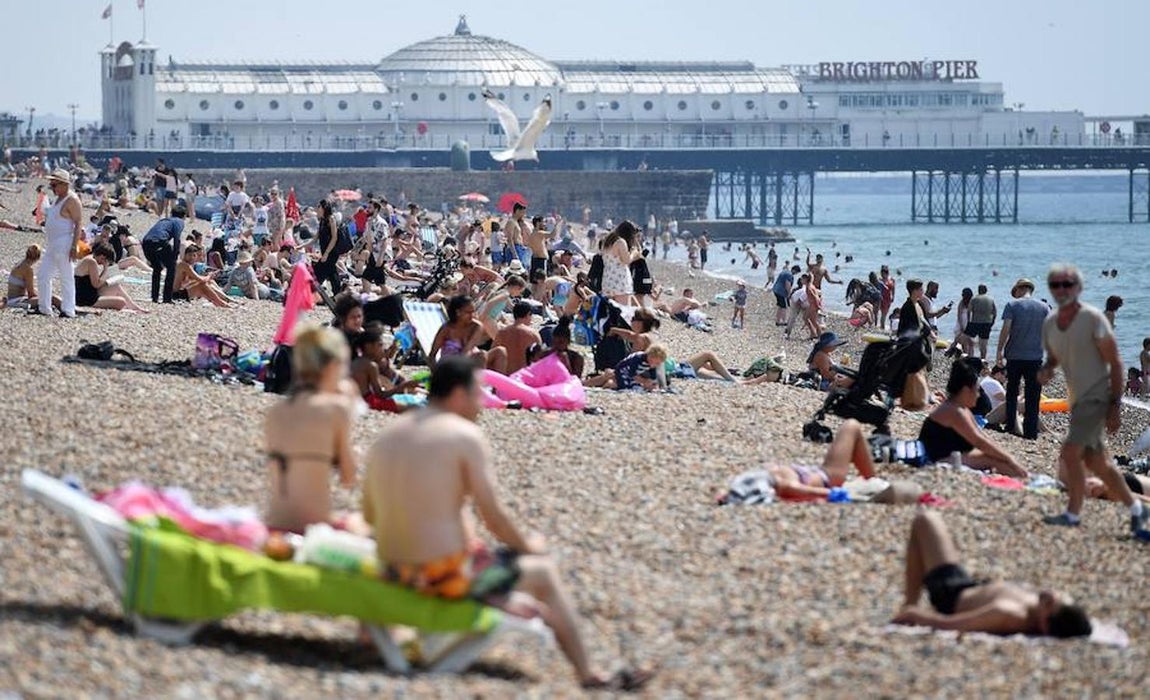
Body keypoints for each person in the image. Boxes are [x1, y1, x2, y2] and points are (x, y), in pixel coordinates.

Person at [361, 356, 652, 691]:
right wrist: (528, 548)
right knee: (542, 572)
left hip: (392, 569)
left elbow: (370, 514)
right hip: (436, 576)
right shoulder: (463, 436)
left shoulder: (389, 435)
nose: (482, 402)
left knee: (489, 555)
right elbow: (494, 517)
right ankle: (589, 675)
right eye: (476, 393)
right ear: (457, 394)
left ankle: (501, 601)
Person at [1037, 264, 1148, 535]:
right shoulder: (1053, 321)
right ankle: (1136, 508)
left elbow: (1117, 363)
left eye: (1068, 285)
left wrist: (1115, 406)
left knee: (1070, 453)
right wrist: (1049, 368)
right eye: (1056, 285)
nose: (1061, 290)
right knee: (1099, 463)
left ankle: (1073, 514)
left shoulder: (1094, 319)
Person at [892, 511, 1092, 638]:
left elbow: (952, 624)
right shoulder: (1036, 611)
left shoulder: (1009, 614)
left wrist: (917, 616)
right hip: (969, 585)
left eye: (1050, 604)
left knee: (925, 519)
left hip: (951, 592)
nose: (1050, 594)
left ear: (1045, 625)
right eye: (1058, 596)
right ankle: (909, 603)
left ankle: (909, 603)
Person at [264, 325, 359, 534]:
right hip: (312, 525)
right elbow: (349, 477)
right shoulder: (335, 409)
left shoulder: (275, 412)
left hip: (274, 524)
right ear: (332, 366)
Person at [918, 359, 1027, 477]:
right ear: (965, 391)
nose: (979, 395)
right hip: (935, 458)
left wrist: (1007, 457)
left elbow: (983, 437)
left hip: (952, 454)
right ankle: (1024, 479)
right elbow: (980, 442)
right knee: (992, 460)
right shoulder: (954, 411)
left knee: (996, 458)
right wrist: (1011, 460)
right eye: (977, 390)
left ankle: (1023, 476)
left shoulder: (961, 409)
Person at [760, 419, 875, 500]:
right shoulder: (781, 483)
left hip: (823, 475)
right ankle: (873, 482)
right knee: (851, 426)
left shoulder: (772, 478)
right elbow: (795, 488)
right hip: (828, 477)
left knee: (851, 431)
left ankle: (870, 482)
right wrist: (833, 494)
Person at [995, 278, 1049, 440]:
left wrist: (999, 351)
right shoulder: (1044, 307)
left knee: (1012, 391)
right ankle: (1030, 431)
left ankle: (1011, 425)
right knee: (1033, 394)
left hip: (1014, 356)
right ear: (1031, 290)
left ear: (1018, 290)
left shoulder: (1013, 305)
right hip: (1035, 357)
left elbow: (1006, 329)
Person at [38, 169, 83, 318]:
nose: (52, 187)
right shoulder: (58, 199)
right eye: (51, 185)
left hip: (64, 242)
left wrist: (74, 246)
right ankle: (44, 307)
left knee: (66, 277)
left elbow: (78, 223)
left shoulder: (72, 200)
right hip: (52, 243)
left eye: (54, 184)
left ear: (64, 184)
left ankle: (68, 310)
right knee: (43, 275)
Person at [72, 242, 149, 313]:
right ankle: (127, 309)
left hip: (87, 293)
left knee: (116, 286)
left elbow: (94, 282)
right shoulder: (91, 262)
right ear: (102, 257)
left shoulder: (89, 258)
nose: (102, 263)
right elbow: (96, 284)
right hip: (86, 299)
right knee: (121, 302)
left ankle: (135, 307)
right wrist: (106, 269)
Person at [141, 206, 185, 304]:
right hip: (160, 242)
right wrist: (175, 254)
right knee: (171, 268)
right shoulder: (179, 221)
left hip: (146, 242)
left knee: (157, 268)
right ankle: (167, 298)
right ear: (184, 216)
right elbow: (177, 238)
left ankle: (154, 297)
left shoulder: (164, 220)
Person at [3, 244, 58, 310]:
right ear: (38, 257)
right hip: (17, 301)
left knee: (46, 295)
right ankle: (67, 309)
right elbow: (31, 294)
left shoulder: (20, 264)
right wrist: (43, 295)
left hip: (11, 298)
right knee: (51, 298)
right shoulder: (28, 269)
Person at [493, 301, 541, 375]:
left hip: (506, 378)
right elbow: (539, 360)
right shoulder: (533, 334)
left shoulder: (501, 333)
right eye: (531, 315)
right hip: (524, 377)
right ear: (528, 314)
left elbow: (494, 355)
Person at [599, 221, 641, 304]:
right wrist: (634, 253)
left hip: (608, 278)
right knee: (623, 311)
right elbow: (627, 260)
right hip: (620, 280)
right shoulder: (620, 242)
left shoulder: (607, 241)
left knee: (610, 310)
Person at [313, 199, 341, 294]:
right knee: (332, 272)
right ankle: (338, 295)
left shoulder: (331, 219)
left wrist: (326, 254)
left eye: (319, 206)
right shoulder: (322, 221)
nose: (317, 209)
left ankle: (312, 290)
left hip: (331, 251)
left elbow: (334, 238)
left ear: (324, 208)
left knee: (319, 271)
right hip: (325, 252)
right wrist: (300, 246)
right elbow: (314, 239)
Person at [966, 284, 997, 359]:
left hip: (975, 322)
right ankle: (983, 359)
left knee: (969, 341)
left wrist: (968, 322)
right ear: (986, 290)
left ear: (978, 290)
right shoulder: (991, 299)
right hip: (986, 323)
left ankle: (971, 357)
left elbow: (969, 311)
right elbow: (995, 313)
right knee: (984, 344)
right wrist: (992, 322)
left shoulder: (974, 299)